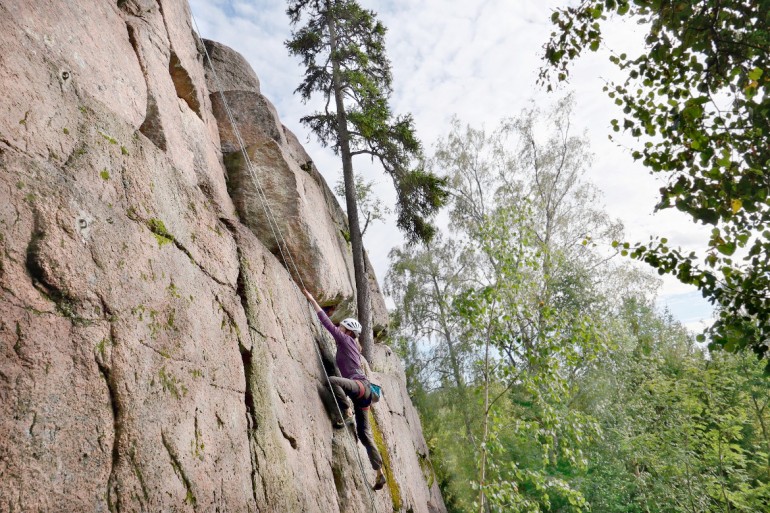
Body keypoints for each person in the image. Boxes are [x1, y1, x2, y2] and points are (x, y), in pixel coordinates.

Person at [303, 289, 387, 491]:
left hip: (359, 388)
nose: (339, 328)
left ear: (348, 331)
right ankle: (379, 473)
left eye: (342, 327)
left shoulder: (345, 340)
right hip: (364, 396)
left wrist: (313, 300)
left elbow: (327, 325)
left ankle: (346, 411)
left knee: (332, 380)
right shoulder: (352, 346)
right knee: (364, 434)